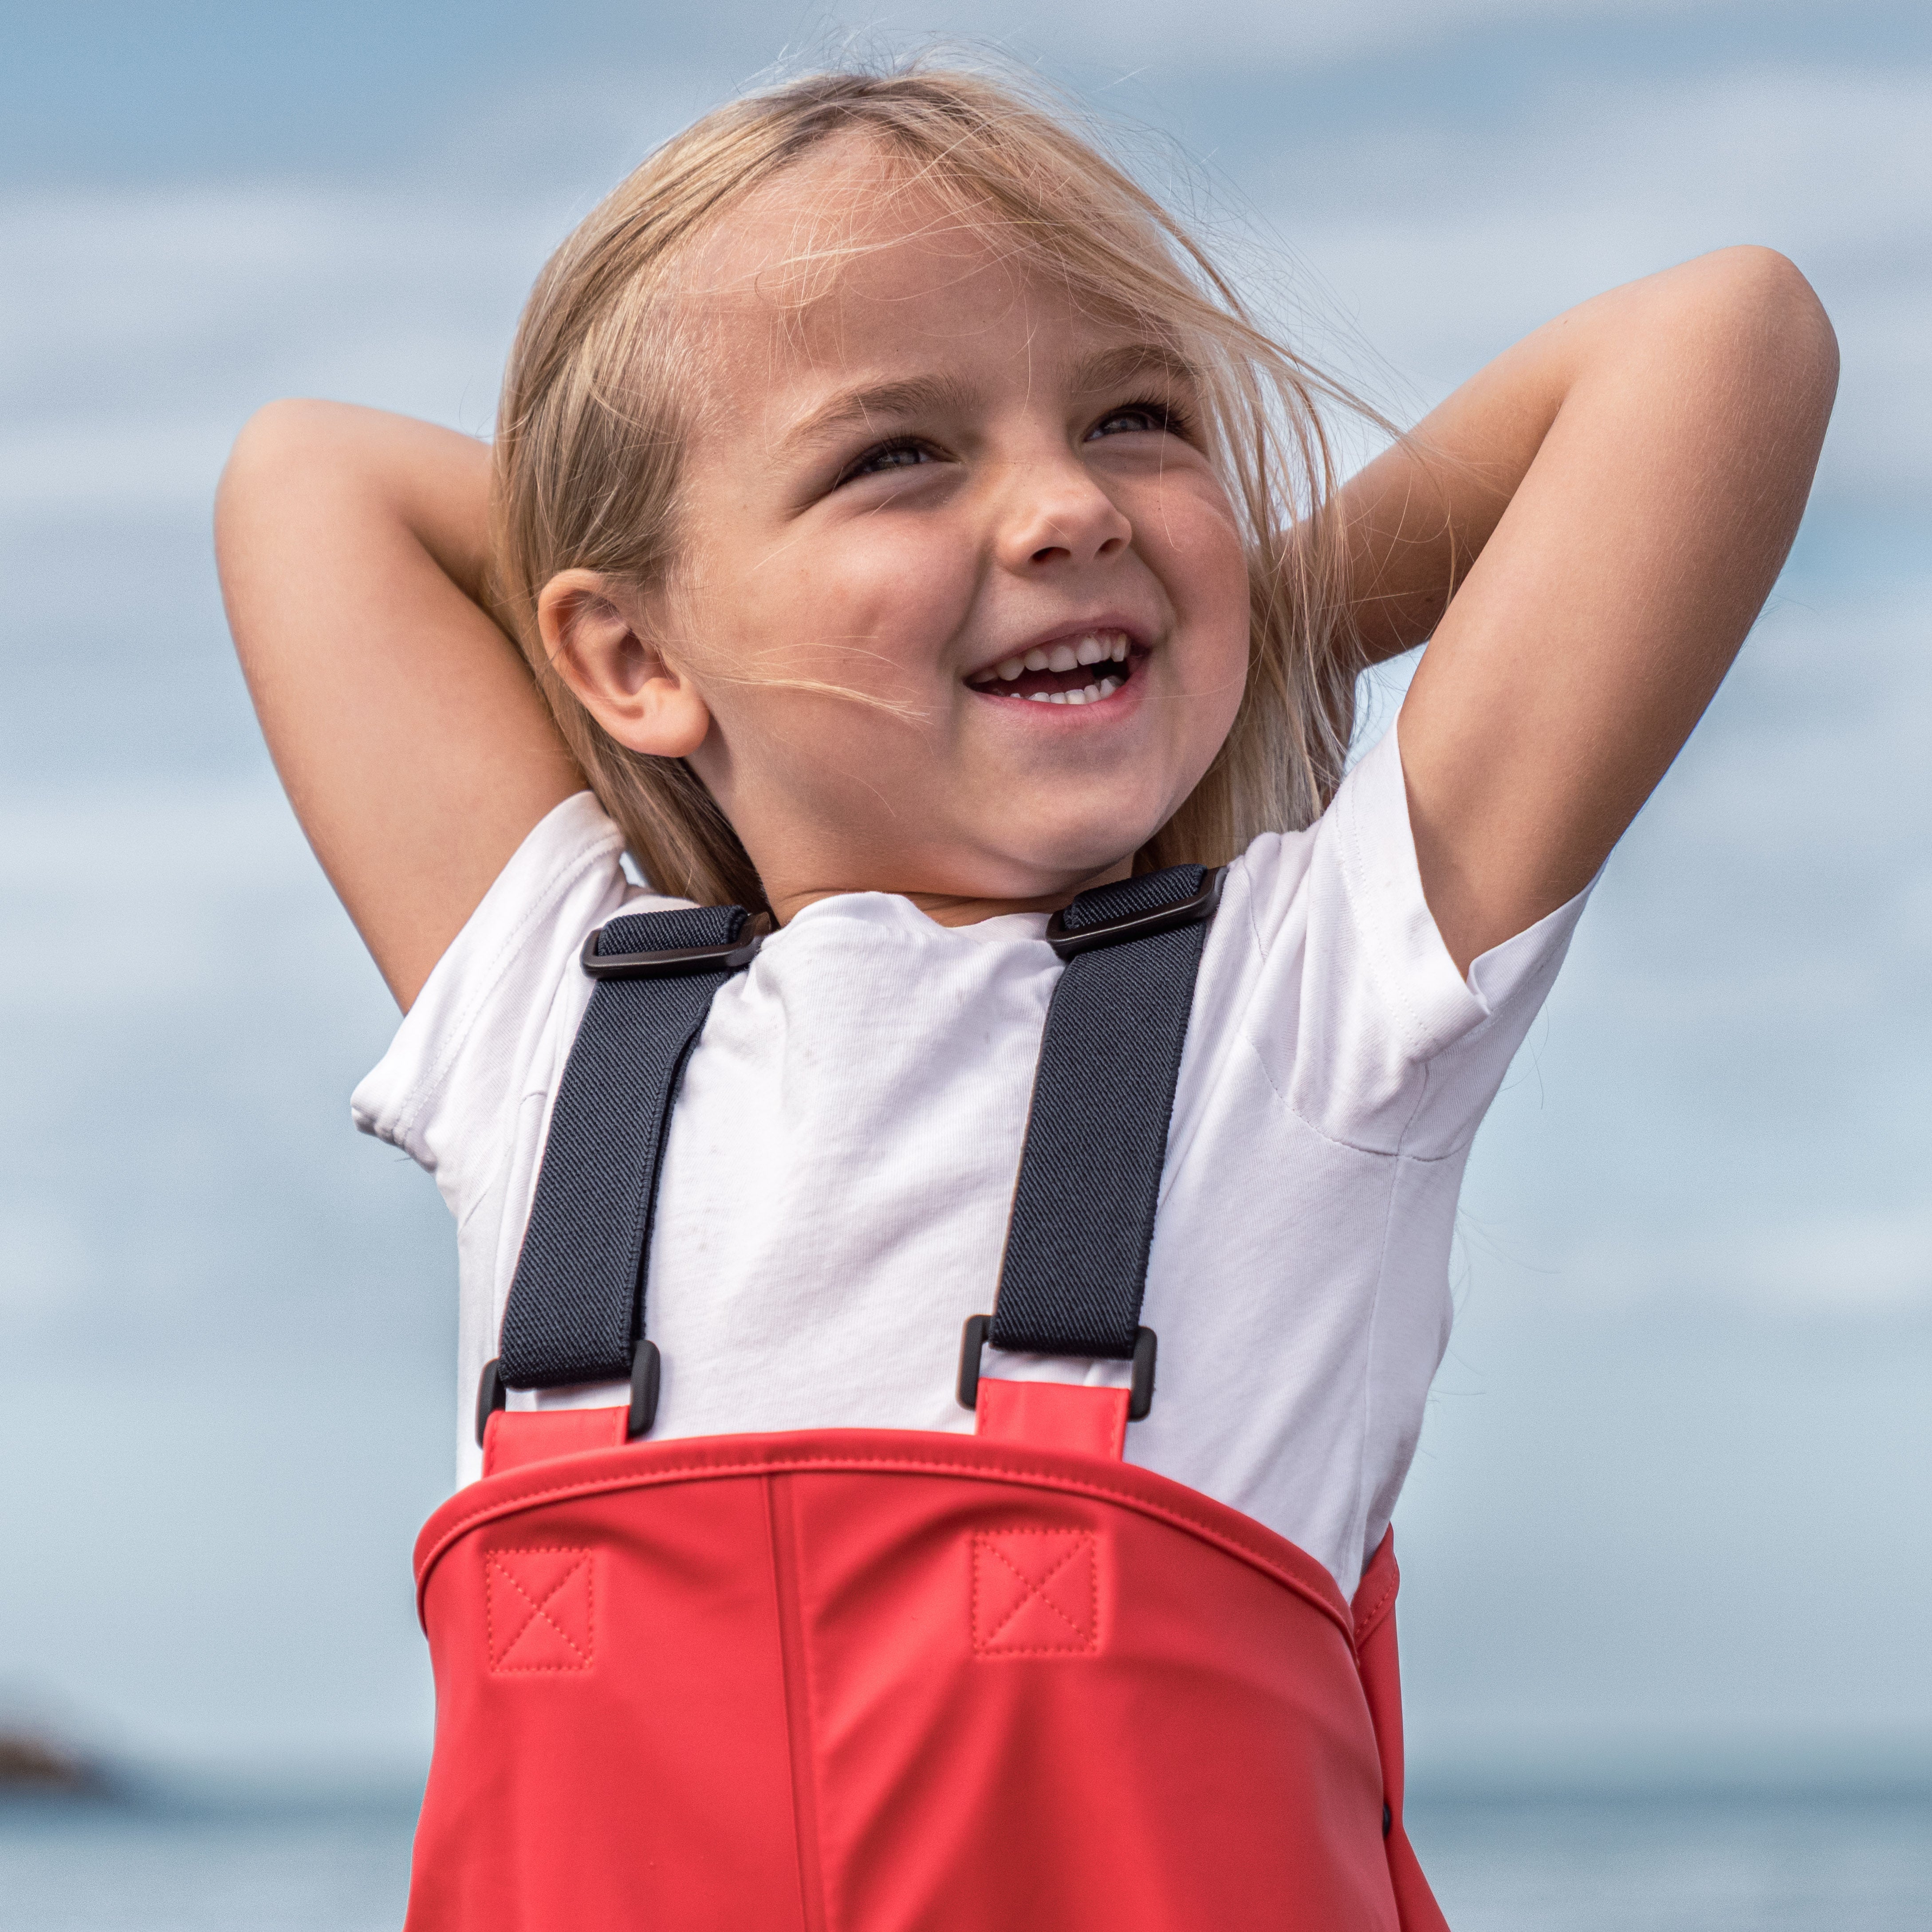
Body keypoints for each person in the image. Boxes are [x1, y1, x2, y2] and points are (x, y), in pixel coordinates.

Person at [215, 62, 1835, 1928]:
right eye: (898, 454)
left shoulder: (1311, 1008)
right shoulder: (556, 1021)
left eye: (1141, 421)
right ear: (628, 656)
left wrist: (1259, 625)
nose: (1070, 506)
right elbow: (305, 478)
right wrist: (717, 605)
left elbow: (1730, 341)